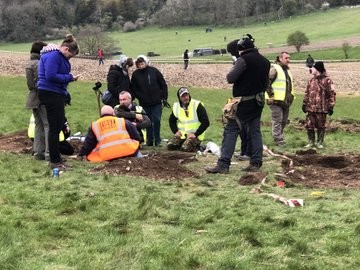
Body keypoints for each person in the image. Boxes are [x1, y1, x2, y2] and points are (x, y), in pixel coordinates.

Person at [205, 34, 270, 174]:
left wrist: (236, 64)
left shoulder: (243, 60)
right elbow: (266, 83)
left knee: (231, 130)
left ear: (242, 49)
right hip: (258, 101)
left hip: (245, 102)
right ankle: (256, 162)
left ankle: (223, 164)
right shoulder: (265, 61)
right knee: (255, 131)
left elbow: (230, 78)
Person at [37, 34, 79, 170]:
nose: (70, 58)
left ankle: (56, 159)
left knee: (57, 125)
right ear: (65, 49)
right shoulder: (54, 56)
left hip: (55, 93)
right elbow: (51, 75)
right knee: (54, 128)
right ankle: (55, 161)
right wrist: (70, 77)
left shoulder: (56, 56)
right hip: (51, 92)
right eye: (70, 55)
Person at [77, 105, 141, 162]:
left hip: (107, 156)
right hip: (128, 152)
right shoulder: (122, 121)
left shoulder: (94, 125)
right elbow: (136, 136)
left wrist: (80, 154)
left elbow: (88, 145)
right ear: (113, 113)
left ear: (101, 114)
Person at [131, 55, 168, 147]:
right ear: (137, 65)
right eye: (139, 64)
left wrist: (164, 97)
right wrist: (140, 97)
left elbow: (163, 84)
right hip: (144, 103)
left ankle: (157, 139)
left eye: (142, 63)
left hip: (156, 102)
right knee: (147, 122)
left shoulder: (154, 71)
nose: (141, 65)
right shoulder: (135, 74)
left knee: (156, 120)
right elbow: (134, 89)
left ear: (146, 62)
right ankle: (149, 140)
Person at [226, 39, 251, 160]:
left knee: (243, 126)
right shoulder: (242, 60)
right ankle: (244, 151)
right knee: (243, 127)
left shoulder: (241, 61)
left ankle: (247, 151)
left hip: (243, 98)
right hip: (240, 97)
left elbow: (232, 77)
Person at [302, 61, 336, 149]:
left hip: (322, 108)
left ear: (317, 69)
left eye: (313, 68)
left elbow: (332, 94)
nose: (311, 69)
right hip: (310, 108)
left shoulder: (328, 80)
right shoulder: (311, 81)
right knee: (309, 125)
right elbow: (307, 93)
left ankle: (319, 142)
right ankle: (311, 142)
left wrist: (331, 106)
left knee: (321, 126)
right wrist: (304, 104)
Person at [265, 52, 295, 147]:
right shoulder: (274, 69)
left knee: (284, 121)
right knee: (278, 120)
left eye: (289, 58)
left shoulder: (287, 70)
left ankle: (279, 136)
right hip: (275, 100)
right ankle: (278, 139)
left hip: (285, 101)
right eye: (286, 58)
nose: (288, 60)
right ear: (280, 58)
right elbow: (267, 82)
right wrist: (271, 95)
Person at [25, 40, 48, 160]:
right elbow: (42, 81)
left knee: (38, 125)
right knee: (47, 124)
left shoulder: (30, 63)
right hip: (42, 98)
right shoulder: (40, 64)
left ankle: (38, 152)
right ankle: (49, 153)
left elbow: (30, 85)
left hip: (32, 98)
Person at [167, 87, 210, 152]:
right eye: (183, 96)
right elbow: (171, 120)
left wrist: (195, 134)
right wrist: (175, 131)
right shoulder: (176, 107)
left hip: (195, 136)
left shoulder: (197, 105)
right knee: (170, 146)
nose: (186, 98)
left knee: (185, 148)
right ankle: (183, 143)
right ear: (179, 98)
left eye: (186, 95)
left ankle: (198, 147)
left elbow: (206, 122)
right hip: (182, 135)